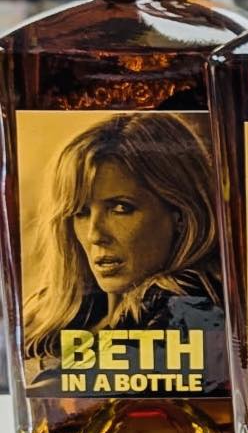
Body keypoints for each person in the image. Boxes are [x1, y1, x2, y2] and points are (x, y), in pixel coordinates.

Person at [22, 113, 223, 388]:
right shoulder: (56, 310)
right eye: (80, 212)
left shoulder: (189, 306)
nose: (95, 235)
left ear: (181, 215)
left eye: (120, 208)